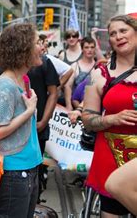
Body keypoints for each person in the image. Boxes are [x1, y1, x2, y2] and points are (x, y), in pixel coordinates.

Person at [81, 14, 137, 217]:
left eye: (123, 31)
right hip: (110, 158)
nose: (118, 36)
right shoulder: (100, 73)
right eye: (113, 33)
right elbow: (87, 118)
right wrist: (113, 119)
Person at [0, 23, 43, 218]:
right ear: (23, 47)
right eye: (37, 42)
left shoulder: (24, 80)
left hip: (29, 168)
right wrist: (28, 112)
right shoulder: (5, 85)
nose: (42, 47)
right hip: (14, 172)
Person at [28, 36, 60, 201]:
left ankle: (36, 202)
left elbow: (53, 93)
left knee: (36, 168)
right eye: (36, 43)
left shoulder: (46, 63)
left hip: (38, 127)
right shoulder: (10, 64)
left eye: (41, 43)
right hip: (15, 130)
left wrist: (43, 121)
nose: (41, 46)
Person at [64, 37, 96, 111]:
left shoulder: (98, 67)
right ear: (82, 49)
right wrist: (68, 105)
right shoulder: (75, 66)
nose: (89, 50)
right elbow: (68, 86)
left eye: (92, 47)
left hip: (94, 107)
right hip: (76, 106)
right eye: (86, 47)